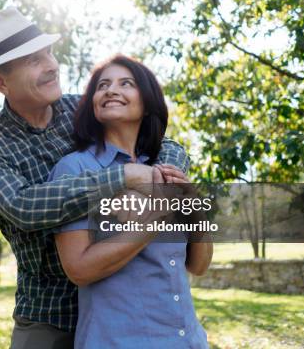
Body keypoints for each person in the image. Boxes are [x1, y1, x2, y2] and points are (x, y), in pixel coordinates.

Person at [0, 7, 191, 349]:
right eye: (32, 61)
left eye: (49, 53)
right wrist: (123, 177)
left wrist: (162, 179)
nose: (51, 66)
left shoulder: (80, 109)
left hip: (117, 300)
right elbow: (23, 207)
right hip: (49, 312)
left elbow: (161, 142)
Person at [50, 54, 213, 348]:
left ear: (148, 101)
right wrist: (155, 220)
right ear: (93, 103)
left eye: (126, 83)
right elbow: (79, 269)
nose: (111, 90)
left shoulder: (164, 169)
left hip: (186, 339)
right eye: (102, 86)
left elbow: (198, 265)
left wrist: (196, 207)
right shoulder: (75, 170)